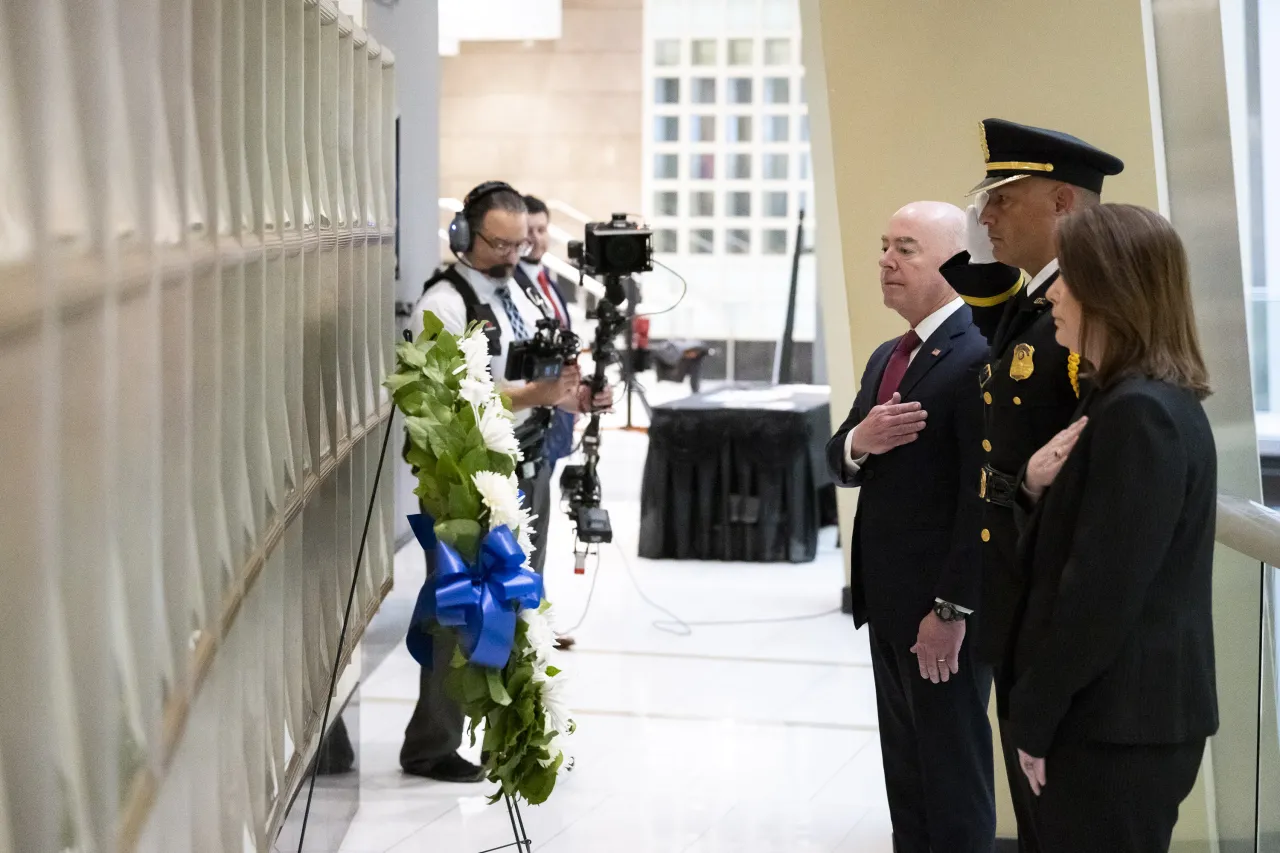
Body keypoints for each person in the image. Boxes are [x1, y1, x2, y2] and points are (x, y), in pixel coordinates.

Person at [1007, 204, 1217, 852]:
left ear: (1110, 289)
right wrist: (1035, 485)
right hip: (1111, 719)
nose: (1054, 293)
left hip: (1113, 726)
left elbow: (1100, 591)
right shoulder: (1125, 396)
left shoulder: (1140, 413)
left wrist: (1035, 716)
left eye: (1068, 276)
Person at [940, 118, 1124, 852]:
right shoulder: (1029, 305)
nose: (985, 214)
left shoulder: (1089, 314)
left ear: (1062, 204)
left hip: (1052, 597)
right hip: (1014, 590)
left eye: (1003, 197)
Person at [826, 202, 994, 853]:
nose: (886, 261)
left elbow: (979, 501)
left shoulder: (975, 354)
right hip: (890, 604)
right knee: (908, 777)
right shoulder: (887, 355)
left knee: (952, 780)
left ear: (953, 264)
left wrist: (950, 609)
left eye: (907, 247)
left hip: (939, 613)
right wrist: (860, 442)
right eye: (884, 245)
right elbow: (838, 456)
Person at [401, 182, 577, 783]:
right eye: (496, 243)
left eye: (518, 242)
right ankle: (432, 745)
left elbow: (541, 363)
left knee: (520, 603)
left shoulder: (523, 286)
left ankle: (511, 735)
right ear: (462, 235)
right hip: (467, 477)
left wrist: (571, 392)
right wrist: (534, 394)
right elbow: (451, 398)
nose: (509, 253)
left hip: (530, 460)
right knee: (460, 610)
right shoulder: (444, 302)